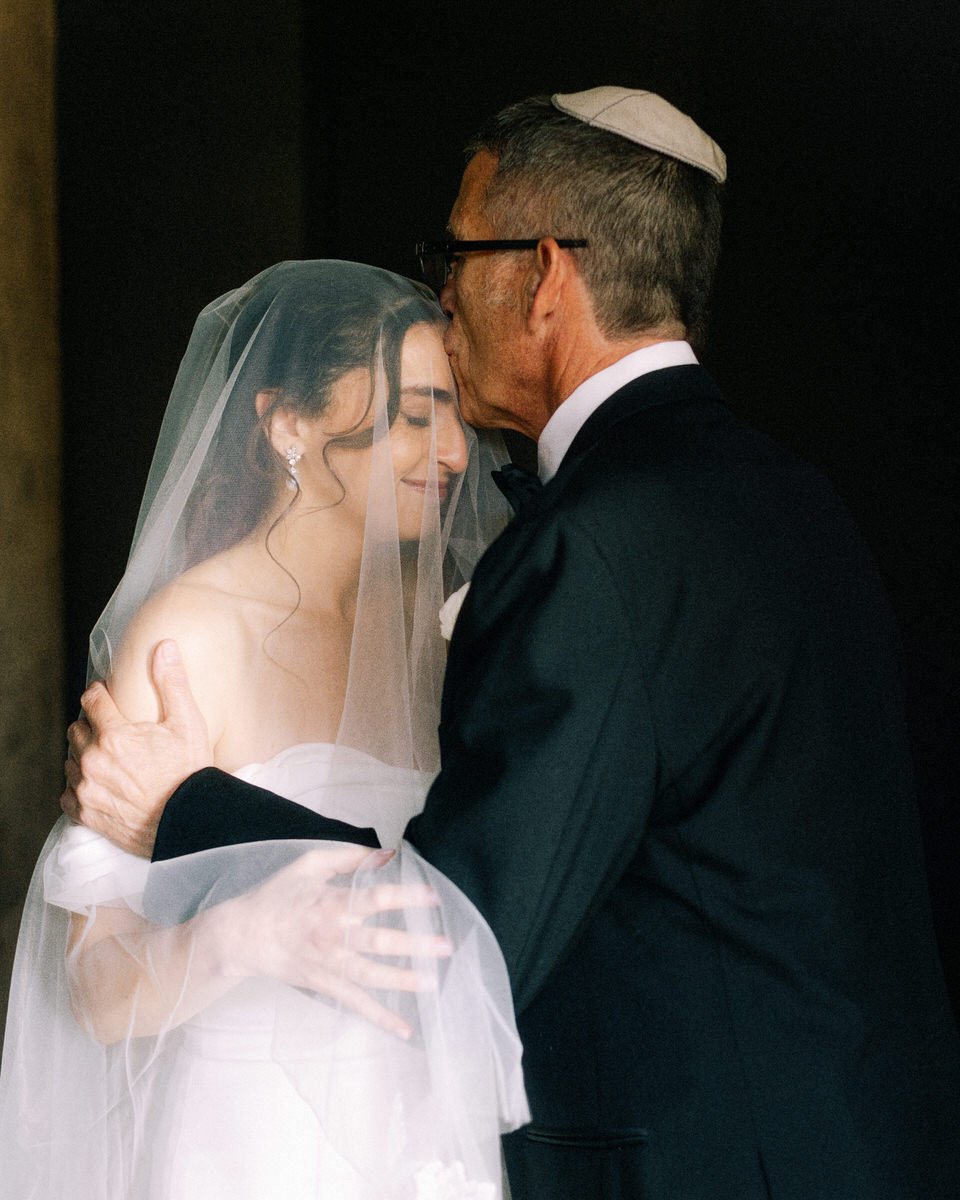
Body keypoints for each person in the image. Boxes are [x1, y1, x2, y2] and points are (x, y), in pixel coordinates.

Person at [62, 88, 960, 1199]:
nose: (444, 292)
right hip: (852, 1133)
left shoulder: (596, 541)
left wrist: (185, 805)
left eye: (458, 253)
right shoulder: (797, 499)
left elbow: (460, 937)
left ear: (541, 278)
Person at [0, 260, 527, 1199]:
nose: (453, 452)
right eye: (414, 416)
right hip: (252, 1139)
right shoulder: (188, 636)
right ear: (288, 425)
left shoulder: (445, 634)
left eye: (457, 414)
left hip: (420, 1127)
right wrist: (241, 938)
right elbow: (91, 991)